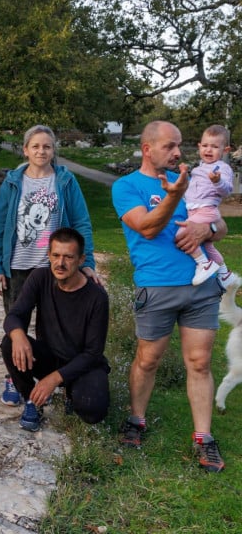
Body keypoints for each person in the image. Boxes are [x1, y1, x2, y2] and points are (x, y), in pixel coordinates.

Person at [112, 120, 227, 473]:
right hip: (157, 285)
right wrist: (174, 195)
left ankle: (204, 438)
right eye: (170, 146)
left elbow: (221, 226)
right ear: (148, 149)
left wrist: (204, 228)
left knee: (200, 363)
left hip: (201, 288)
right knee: (148, 360)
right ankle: (136, 419)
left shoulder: (195, 182)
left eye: (180, 145)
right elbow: (146, 226)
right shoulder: (126, 186)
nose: (179, 152)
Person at [0, 125, 100, 407]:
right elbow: (0, 225)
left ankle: (54, 377)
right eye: (35, 146)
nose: (41, 151)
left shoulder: (64, 181)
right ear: (25, 150)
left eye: (47, 147)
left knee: (51, 329)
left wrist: (87, 262)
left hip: (53, 268)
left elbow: (81, 222)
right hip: (18, 267)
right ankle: (16, 379)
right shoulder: (14, 182)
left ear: (53, 151)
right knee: (16, 327)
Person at [0, 227, 110, 432]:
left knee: (92, 410)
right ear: (48, 255)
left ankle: (71, 392)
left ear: (80, 259)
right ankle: (32, 401)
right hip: (49, 356)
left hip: (83, 363)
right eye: (56, 255)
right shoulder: (40, 278)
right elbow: (14, 315)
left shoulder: (97, 297)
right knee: (10, 342)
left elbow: (93, 353)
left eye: (68, 257)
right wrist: (19, 336)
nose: (60, 263)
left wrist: (54, 379)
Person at [179, 124, 233, 287]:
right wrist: (183, 174)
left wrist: (217, 181)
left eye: (215, 147)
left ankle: (204, 264)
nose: (209, 150)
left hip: (206, 210)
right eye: (205, 145)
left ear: (225, 150)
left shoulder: (223, 168)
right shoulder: (200, 168)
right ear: (199, 147)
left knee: (182, 234)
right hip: (196, 209)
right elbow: (192, 190)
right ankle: (224, 273)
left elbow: (227, 190)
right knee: (207, 245)